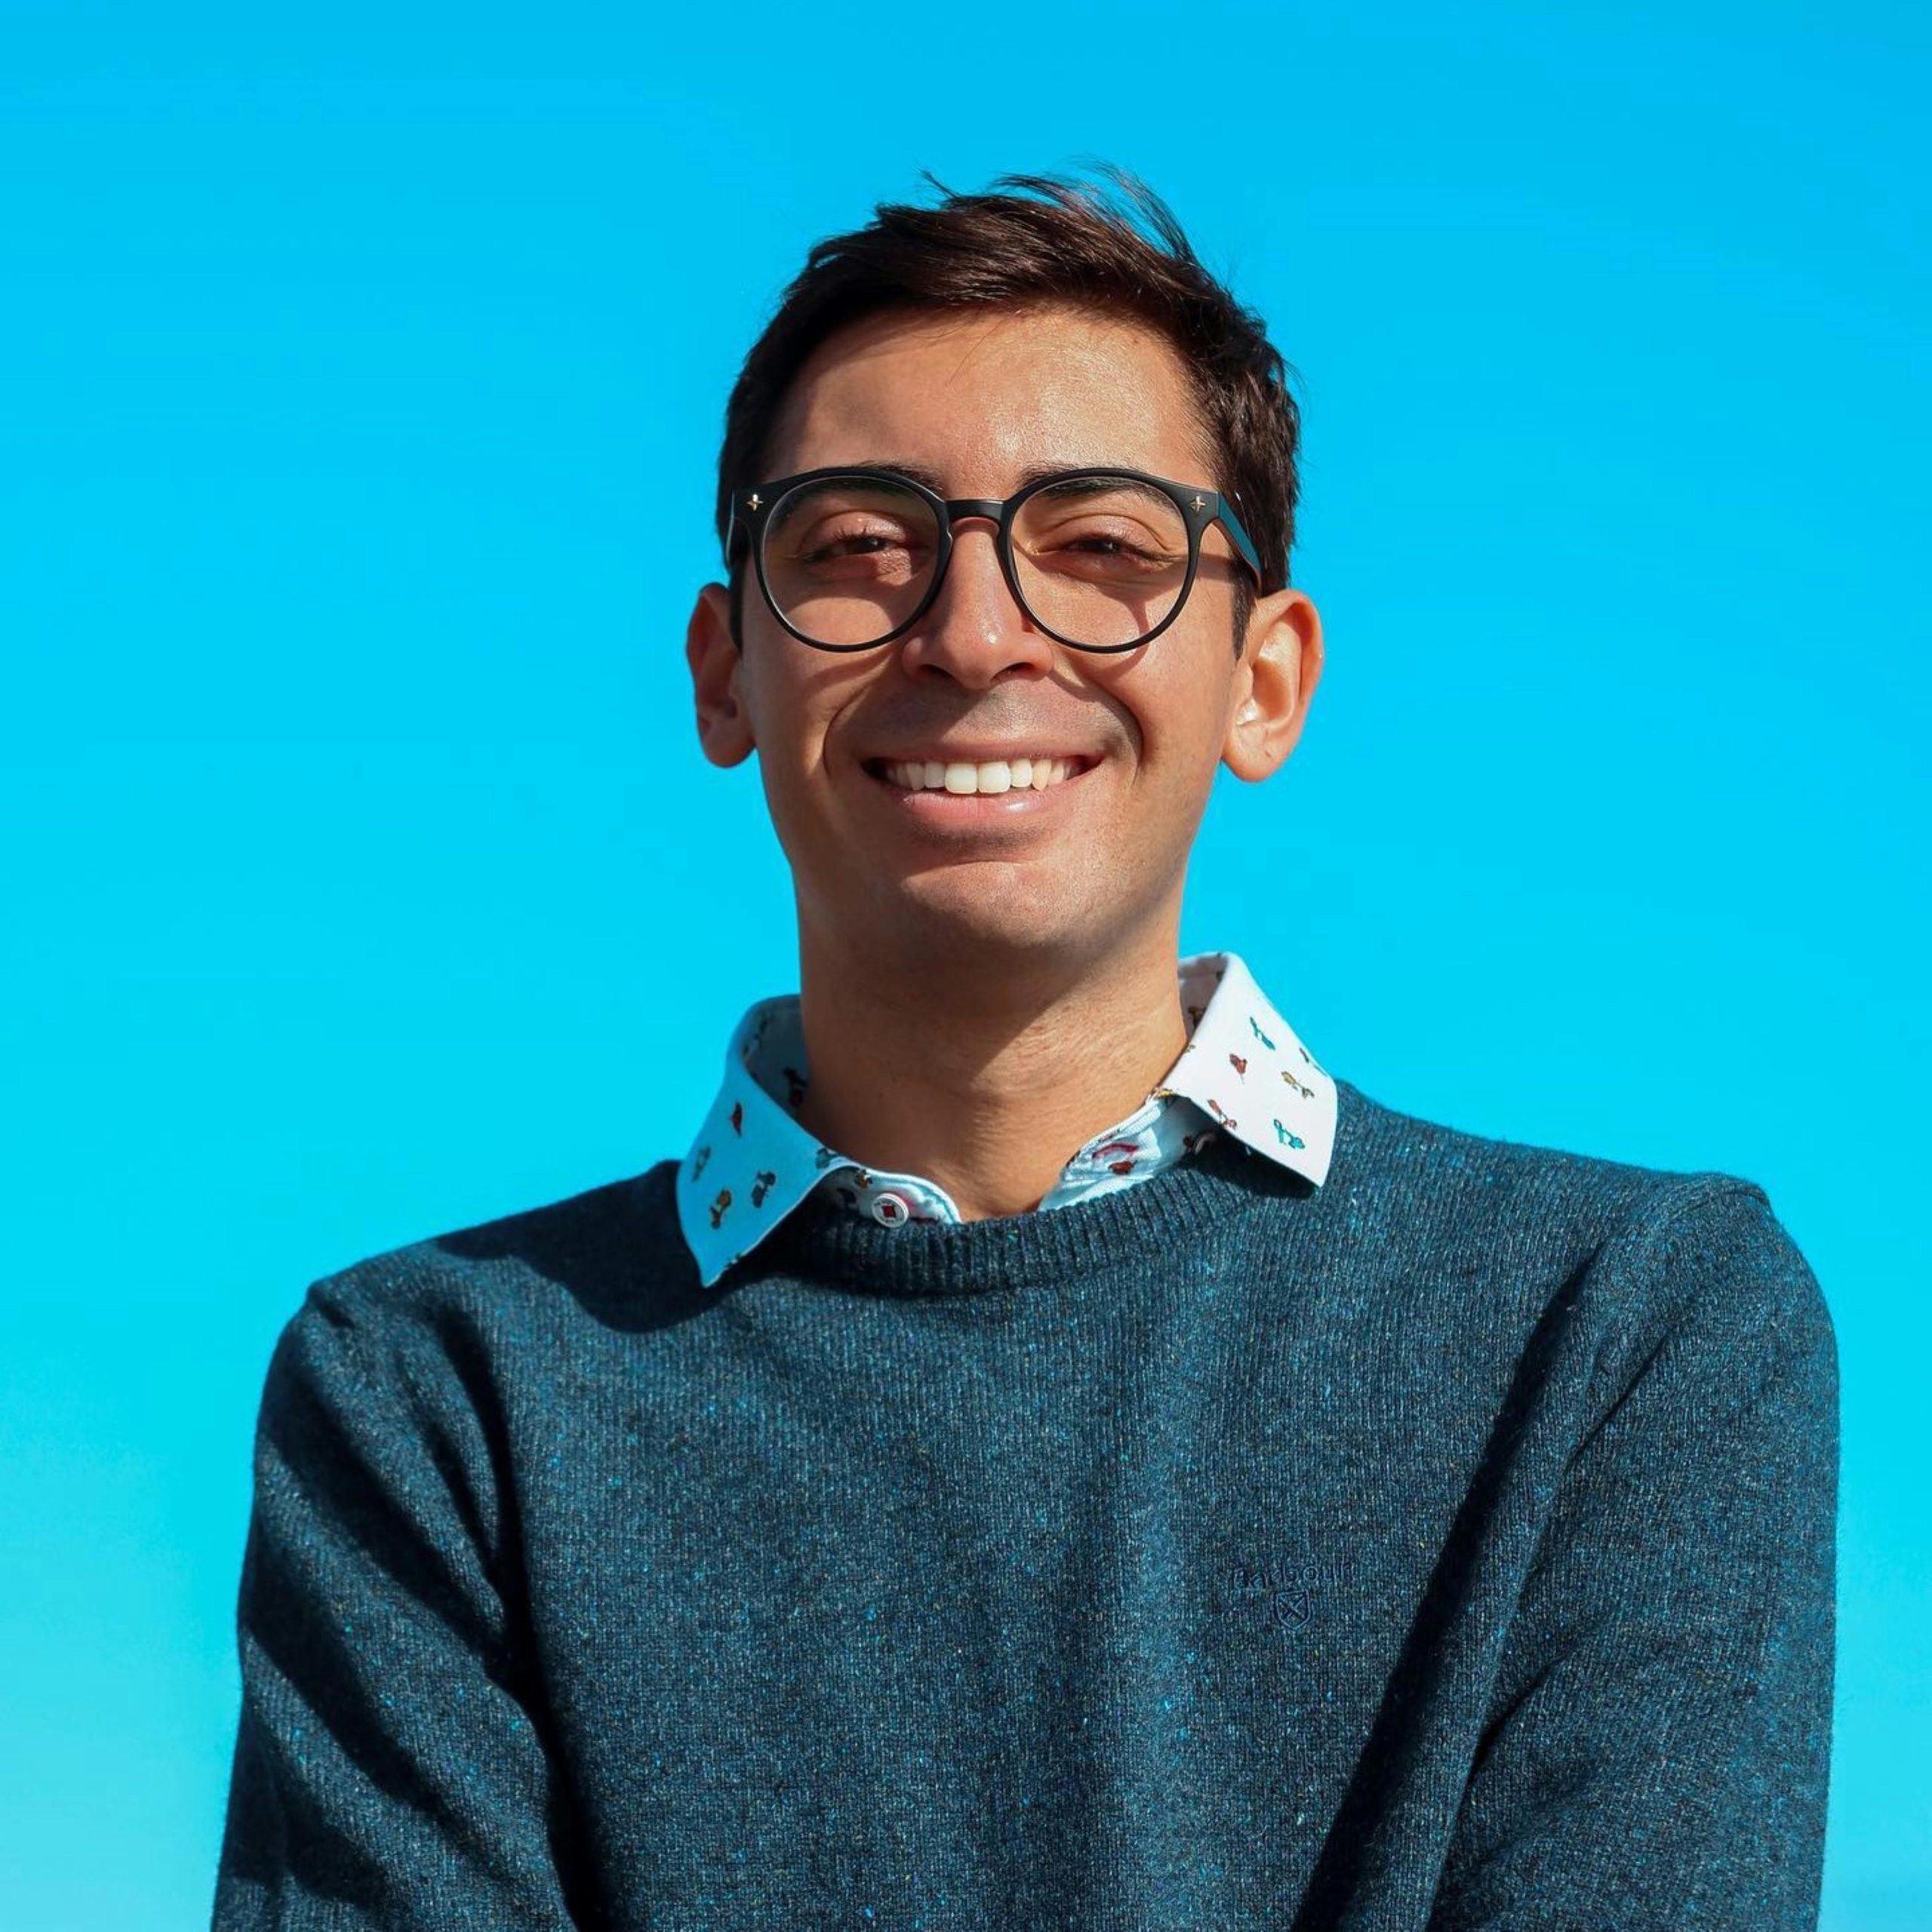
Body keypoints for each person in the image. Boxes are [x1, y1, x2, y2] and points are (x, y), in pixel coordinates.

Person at [212, 168, 1838, 1929]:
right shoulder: (436, 1394)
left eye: (1104, 550)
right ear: (723, 671)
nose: (977, 634)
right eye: (853, 545)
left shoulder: (1622, 1325)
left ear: (1263, 679)